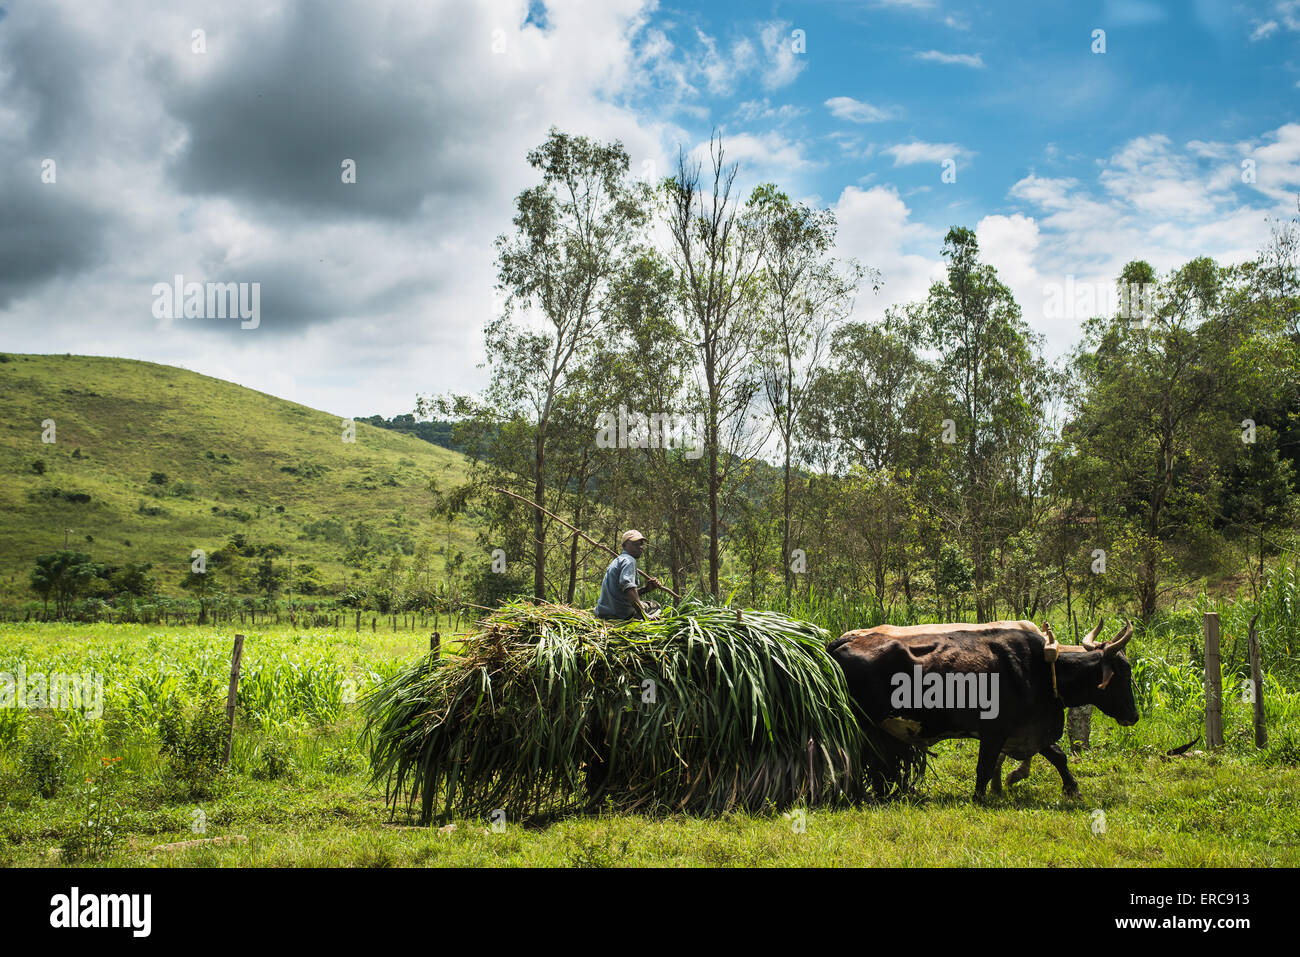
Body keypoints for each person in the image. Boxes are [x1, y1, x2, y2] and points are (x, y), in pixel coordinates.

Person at [594, 530, 662, 621]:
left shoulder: (617, 561)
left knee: (644, 603)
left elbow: (623, 593)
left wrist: (646, 589)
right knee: (655, 605)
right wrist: (645, 615)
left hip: (604, 613)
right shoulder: (629, 561)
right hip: (620, 615)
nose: (640, 547)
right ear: (624, 545)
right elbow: (628, 587)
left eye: (641, 544)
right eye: (636, 544)